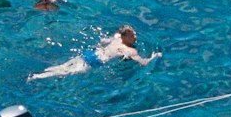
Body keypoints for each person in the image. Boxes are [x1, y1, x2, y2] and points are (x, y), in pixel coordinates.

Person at [29, 26, 161, 80]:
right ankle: (37, 77)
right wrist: (154, 56)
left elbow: (103, 41)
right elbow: (143, 63)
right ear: (125, 37)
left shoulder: (116, 38)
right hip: (96, 62)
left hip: (90, 53)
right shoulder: (131, 50)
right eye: (133, 36)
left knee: (64, 66)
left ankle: (43, 71)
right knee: (66, 72)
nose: (135, 38)